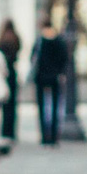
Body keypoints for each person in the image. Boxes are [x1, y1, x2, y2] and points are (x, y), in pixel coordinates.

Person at [32, 15, 74, 146]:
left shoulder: (40, 40)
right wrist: (61, 72)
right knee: (56, 106)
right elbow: (64, 58)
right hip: (55, 76)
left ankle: (45, 136)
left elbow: (33, 58)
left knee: (42, 107)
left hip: (41, 76)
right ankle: (55, 136)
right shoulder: (59, 40)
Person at [0, 19, 24, 143]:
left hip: (4, 73)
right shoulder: (15, 38)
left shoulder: (2, 40)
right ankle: (12, 132)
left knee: (5, 104)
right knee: (13, 104)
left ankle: (5, 131)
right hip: (12, 72)